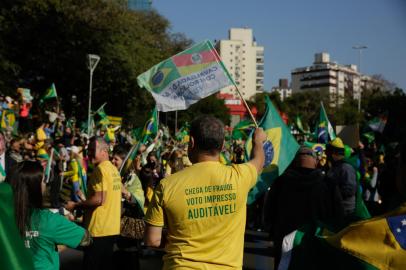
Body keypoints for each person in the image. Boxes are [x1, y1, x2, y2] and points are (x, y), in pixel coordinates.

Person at [144, 115, 266, 269]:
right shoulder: (239, 176)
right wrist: (258, 141)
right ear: (222, 146)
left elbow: (152, 240)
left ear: (192, 143)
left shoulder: (167, 185)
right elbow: (259, 161)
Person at [265, 146, 343, 269]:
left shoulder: (280, 182)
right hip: (315, 242)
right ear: (316, 162)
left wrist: (272, 231)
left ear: (295, 161)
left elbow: (269, 212)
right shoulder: (328, 185)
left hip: (286, 242)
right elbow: (339, 215)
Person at [7, 161, 91, 270]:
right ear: (34, 186)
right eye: (43, 180)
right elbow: (86, 239)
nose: (45, 184)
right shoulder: (49, 220)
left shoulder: (4, 217)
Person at [65, 136, 122, 270]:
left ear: (104, 151)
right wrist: (84, 199)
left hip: (98, 230)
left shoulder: (100, 170)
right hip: (111, 228)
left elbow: (99, 199)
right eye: (88, 150)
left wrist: (75, 205)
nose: (88, 153)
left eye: (92, 150)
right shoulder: (114, 170)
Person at [111, 145, 145, 270]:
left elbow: (139, 202)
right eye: (112, 159)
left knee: (129, 261)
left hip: (128, 228)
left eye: (116, 159)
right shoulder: (115, 176)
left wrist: (126, 192)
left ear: (124, 162)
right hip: (114, 227)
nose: (112, 162)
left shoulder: (133, 179)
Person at [326, 137, 357, 217]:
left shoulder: (346, 167)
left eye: (328, 152)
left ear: (333, 153)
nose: (326, 155)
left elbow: (350, 190)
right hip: (335, 208)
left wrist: (333, 191)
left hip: (345, 210)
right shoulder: (334, 166)